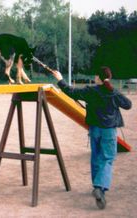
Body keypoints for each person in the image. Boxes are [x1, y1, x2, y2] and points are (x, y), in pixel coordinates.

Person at [51, 66, 132, 209]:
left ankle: (97, 186)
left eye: (95, 76)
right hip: (108, 130)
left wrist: (60, 80)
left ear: (98, 78)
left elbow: (71, 92)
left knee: (96, 157)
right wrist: (115, 93)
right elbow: (128, 105)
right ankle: (100, 188)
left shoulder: (90, 91)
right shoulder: (113, 92)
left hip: (94, 129)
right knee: (107, 158)